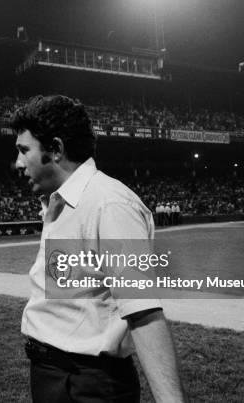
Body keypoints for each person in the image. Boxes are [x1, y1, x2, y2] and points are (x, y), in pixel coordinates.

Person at [12, 95, 186, 402]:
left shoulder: (110, 204)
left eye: (24, 150)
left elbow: (143, 312)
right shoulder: (60, 201)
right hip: (55, 374)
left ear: (55, 149)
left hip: (88, 383)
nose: (18, 163)